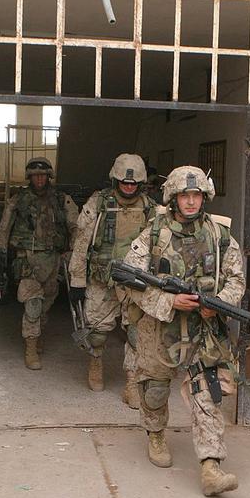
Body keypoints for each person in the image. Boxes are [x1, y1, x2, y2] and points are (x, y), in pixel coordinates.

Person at [122, 165, 245, 497]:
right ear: (172, 198)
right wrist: (168, 301)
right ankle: (156, 432)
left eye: (196, 195)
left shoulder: (220, 236)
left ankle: (210, 465)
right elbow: (129, 280)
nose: (191, 202)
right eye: (184, 196)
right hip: (159, 327)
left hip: (203, 328)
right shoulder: (151, 235)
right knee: (154, 390)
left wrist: (217, 303)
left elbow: (236, 279)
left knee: (208, 392)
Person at [68, 153, 159, 405]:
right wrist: (77, 280)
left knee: (136, 334)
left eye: (133, 183)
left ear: (140, 183)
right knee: (97, 331)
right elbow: (82, 243)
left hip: (135, 282)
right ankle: (95, 362)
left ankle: (131, 381)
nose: (128, 187)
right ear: (115, 180)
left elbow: (162, 247)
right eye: (124, 182)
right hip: (102, 278)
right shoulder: (99, 202)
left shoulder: (152, 209)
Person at [0, 156, 78, 370]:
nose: (39, 179)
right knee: (32, 305)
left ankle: (37, 335)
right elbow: (4, 230)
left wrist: (73, 252)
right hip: (27, 260)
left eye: (43, 175)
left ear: (49, 176)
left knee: (46, 305)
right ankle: (30, 347)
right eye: (35, 175)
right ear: (29, 177)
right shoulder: (18, 200)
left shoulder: (61, 199)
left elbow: (76, 227)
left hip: (53, 261)